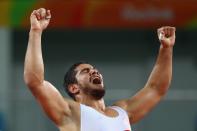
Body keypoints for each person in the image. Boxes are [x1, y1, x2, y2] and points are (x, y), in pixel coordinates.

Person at [24, 8, 176, 131]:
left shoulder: (123, 111)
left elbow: (157, 89)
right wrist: (36, 32)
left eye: (95, 69)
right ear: (74, 87)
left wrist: (166, 48)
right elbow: (35, 82)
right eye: (85, 71)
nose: (94, 71)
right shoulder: (71, 113)